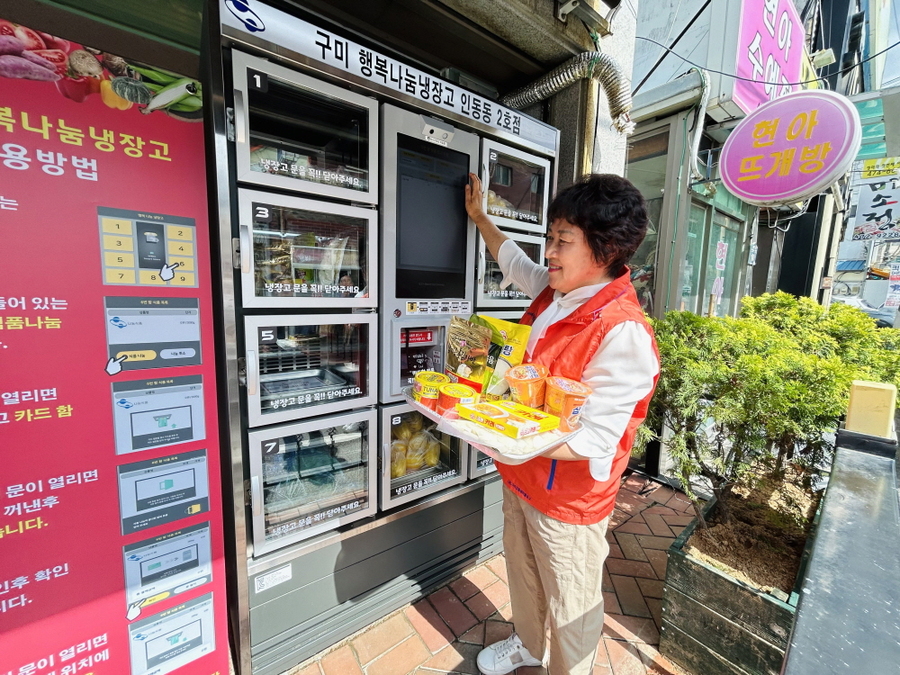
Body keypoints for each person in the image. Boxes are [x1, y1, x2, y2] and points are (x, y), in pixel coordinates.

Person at [464, 173, 660, 675]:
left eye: (562, 241)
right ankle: (529, 646)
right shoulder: (555, 294)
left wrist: (487, 428)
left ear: (606, 250)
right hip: (522, 475)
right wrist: (482, 219)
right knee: (524, 577)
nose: (548, 251)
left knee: (572, 607)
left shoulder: (623, 334)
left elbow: (594, 441)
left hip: (569, 503)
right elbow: (515, 261)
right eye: (550, 237)